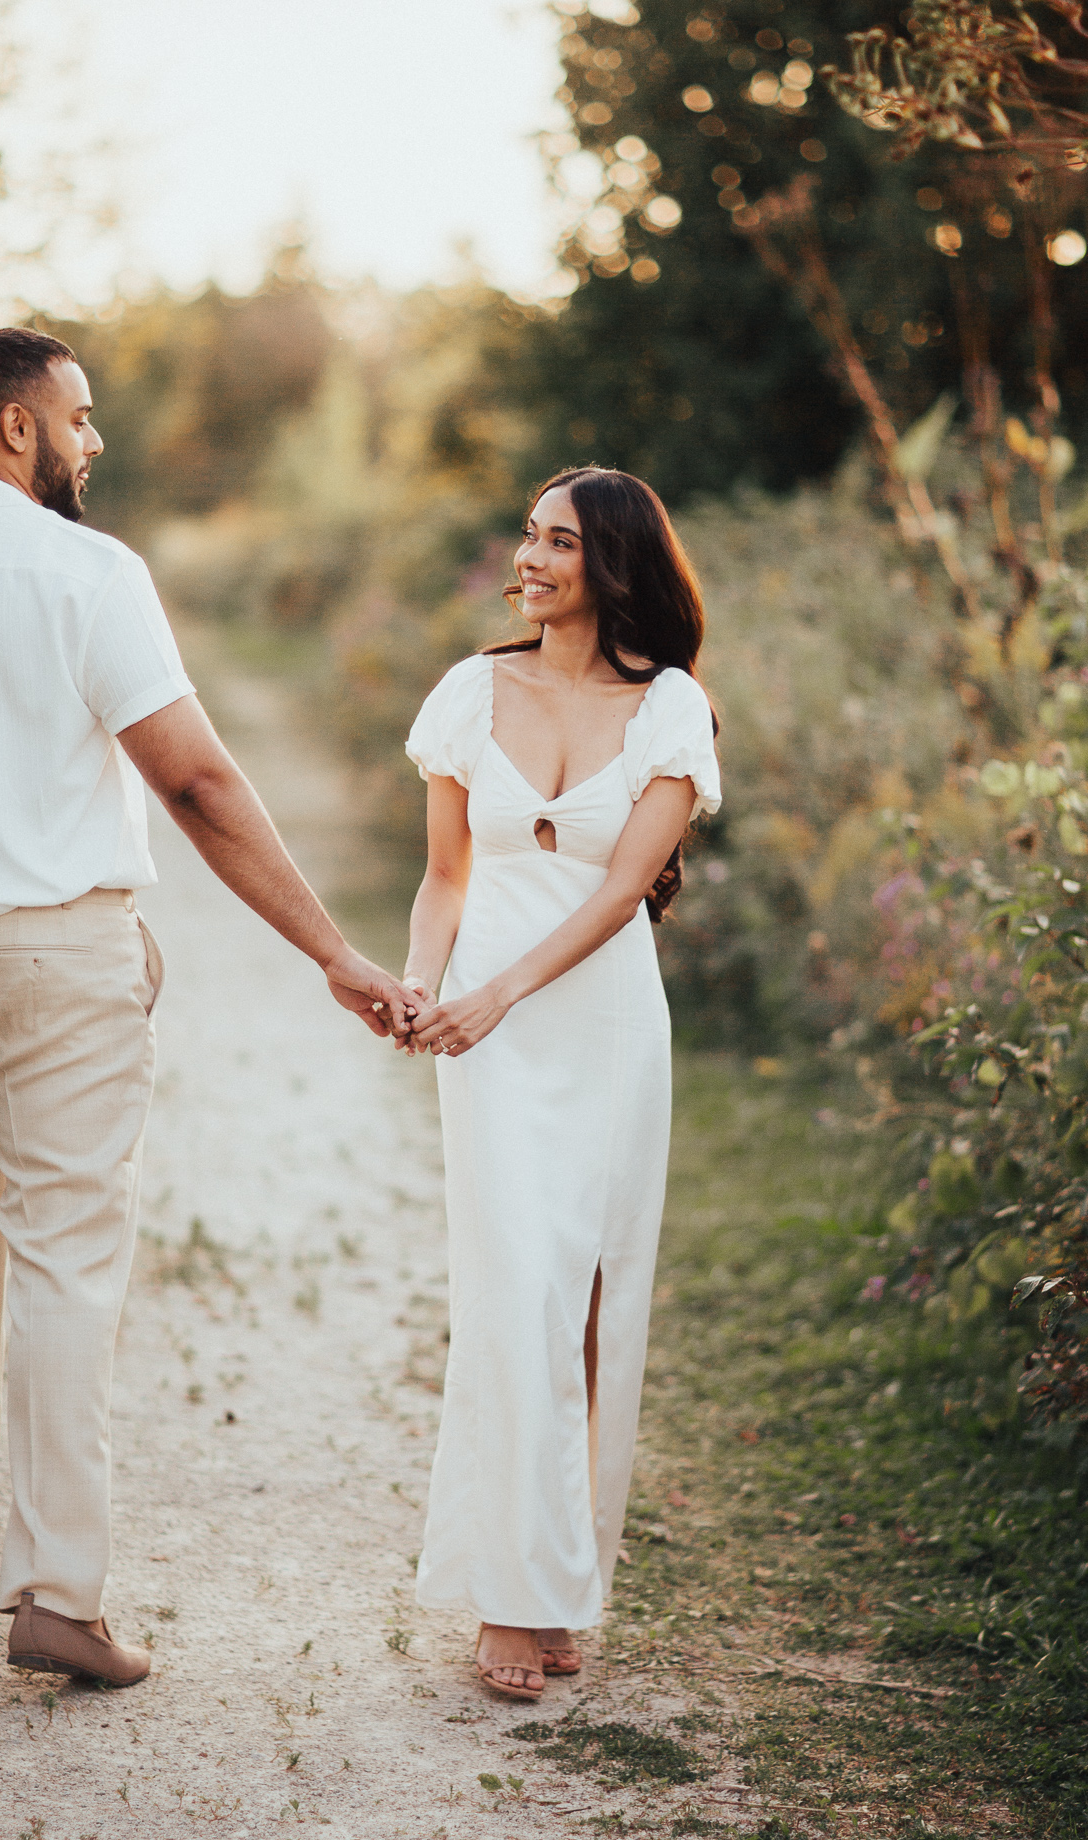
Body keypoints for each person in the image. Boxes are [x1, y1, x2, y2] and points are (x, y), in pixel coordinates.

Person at [0, 327, 412, 1688]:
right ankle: (57, 1593)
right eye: (79, 417)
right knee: (63, 1259)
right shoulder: (87, 573)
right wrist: (331, 954)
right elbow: (196, 783)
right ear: (14, 428)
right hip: (60, 958)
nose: (93, 439)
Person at [398, 466, 720, 1701]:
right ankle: (509, 1596)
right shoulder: (470, 691)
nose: (527, 559)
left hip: (597, 1020)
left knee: (593, 1301)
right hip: (487, 1026)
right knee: (513, 1286)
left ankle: (563, 1576)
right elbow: (443, 877)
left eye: (557, 542)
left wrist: (500, 989)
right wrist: (431, 982)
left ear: (614, 563)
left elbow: (618, 891)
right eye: (528, 536)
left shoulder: (671, 708)